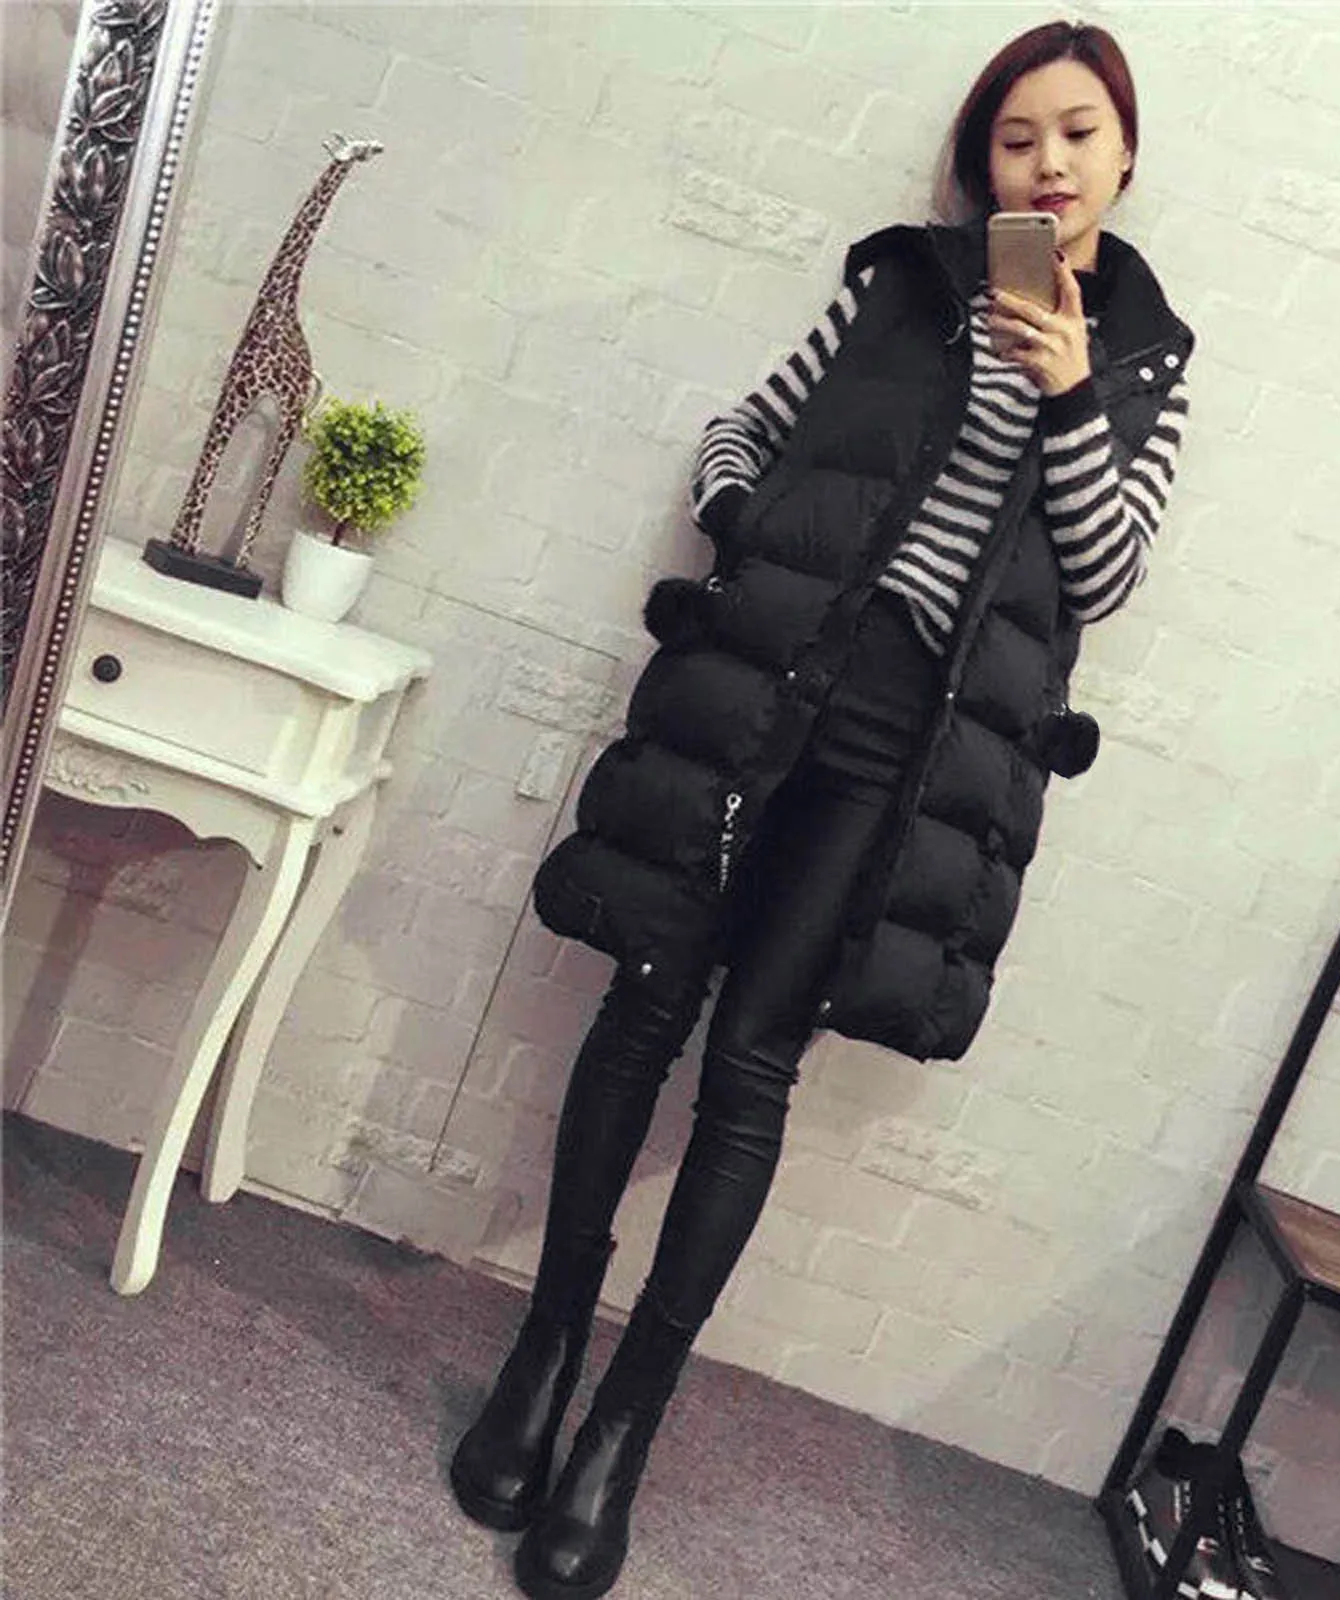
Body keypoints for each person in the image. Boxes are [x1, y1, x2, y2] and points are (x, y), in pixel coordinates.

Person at [451, 19, 1194, 1599]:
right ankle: (543, 1355)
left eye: (1077, 133)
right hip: (772, 690)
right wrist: (751, 533)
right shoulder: (907, 288)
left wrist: (1070, 398)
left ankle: (622, 1427)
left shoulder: (1144, 364)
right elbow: (743, 428)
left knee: (750, 1066)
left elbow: (1106, 575)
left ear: (1126, 154)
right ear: (979, 164)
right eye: (1016, 139)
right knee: (645, 1002)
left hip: (911, 762)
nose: (1048, 164)